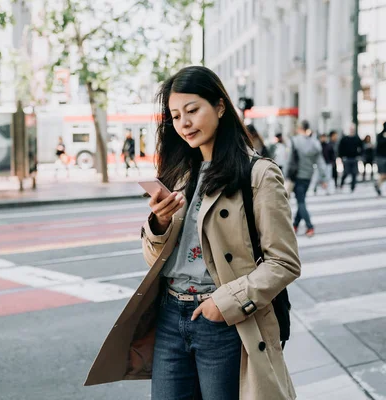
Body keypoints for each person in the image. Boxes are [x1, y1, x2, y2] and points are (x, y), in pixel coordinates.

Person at [85, 66, 301, 400]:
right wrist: (158, 224)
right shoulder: (180, 174)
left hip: (223, 320)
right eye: (175, 115)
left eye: (192, 110)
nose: (184, 123)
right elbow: (155, 258)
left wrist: (223, 303)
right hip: (171, 317)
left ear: (219, 106)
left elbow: (284, 263)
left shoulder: (257, 174)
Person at [288, 121, 328, 237]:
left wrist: (284, 175)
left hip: (296, 176)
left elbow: (289, 160)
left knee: (301, 202)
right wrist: (323, 178)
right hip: (308, 176)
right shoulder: (314, 143)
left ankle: (310, 227)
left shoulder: (295, 141)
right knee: (302, 200)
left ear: (299, 128)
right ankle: (295, 225)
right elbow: (320, 162)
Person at [338, 124, 363, 192]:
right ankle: (341, 183)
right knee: (346, 172)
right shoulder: (344, 139)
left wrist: (359, 155)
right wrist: (341, 157)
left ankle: (352, 187)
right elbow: (340, 148)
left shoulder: (357, 139)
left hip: (354, 158)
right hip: (347, 158)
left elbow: (361, 147)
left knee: (354, 173)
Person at [375, 122, 386, 196]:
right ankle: (377, 184)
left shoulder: (380, 135)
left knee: (384, 175)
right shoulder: (381, 136)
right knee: (383, 174)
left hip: (381, 157)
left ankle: (378, 184)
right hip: (382, 158)